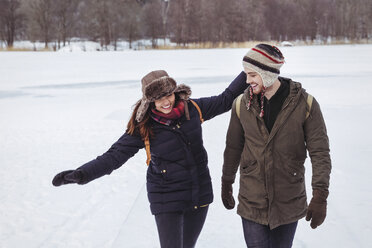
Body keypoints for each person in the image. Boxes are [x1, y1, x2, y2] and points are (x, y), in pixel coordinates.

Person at [52, 69, 247, 248]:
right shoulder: (143, 125)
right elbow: (113, 157)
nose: (166, 102)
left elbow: (226, 99)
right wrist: (82, 174)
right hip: (166, 196)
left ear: (175, 91)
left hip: (198, 192)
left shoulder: (193, 108)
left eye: (169, 95)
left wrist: (250, 69)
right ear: (149, 100)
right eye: (159, 98)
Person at [221, 44, 331, 248]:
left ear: (268, 73)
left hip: (288, 199)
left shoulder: (305, 104)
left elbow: (320, 152)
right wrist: (227, 181)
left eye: (252, 74)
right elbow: (233, 147)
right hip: (252, 199)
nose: (247, 81)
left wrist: (320, 195)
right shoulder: (240, 104)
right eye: (246, 74)